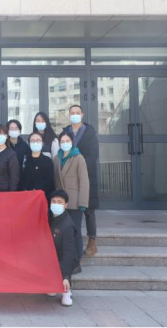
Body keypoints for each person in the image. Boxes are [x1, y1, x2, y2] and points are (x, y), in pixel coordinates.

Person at [63, 104, 99, 258]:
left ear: (82, 114)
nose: (75, 115)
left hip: (87, 175)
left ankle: (92, 241)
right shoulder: (66, 132)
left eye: (77, 112)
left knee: (89, 209)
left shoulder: (89, 132)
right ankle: (70, 240)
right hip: (69, 178)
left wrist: (82, 167)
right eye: (72, 113)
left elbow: (93, 154)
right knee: (70, 208)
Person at [53, 131, 89, 261]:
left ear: (72, 142)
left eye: (67, 141)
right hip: (60, 203)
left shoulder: (78, 158)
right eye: (62, 141)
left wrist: (83, 203)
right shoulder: (57, 158)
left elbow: (84, 182)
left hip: (75, 202)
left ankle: (77, 258)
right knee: (62, 231)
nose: (64, 143)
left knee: (75, 231)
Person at [48, 189, 79, 307]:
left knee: (64, 264)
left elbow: (68, 253)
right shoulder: (50, 217)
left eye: (60, 202)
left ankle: (66, 291)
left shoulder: (67, 225)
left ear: (66, 205)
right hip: (52, 253)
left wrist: (66, 277)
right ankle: (53, 285)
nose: (56, 204)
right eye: (54, 201)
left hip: (64, 256)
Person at [19, 132, 55, 202]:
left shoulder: (48, 161)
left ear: (42, 143)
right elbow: (20, 178)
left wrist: (36, 190)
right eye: (32, 141)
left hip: (42, 197)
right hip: (26, 197)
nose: (35, 143)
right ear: (29, 143)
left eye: (38, 140)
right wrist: (25, 190)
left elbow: (49, 180)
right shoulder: (24, 160)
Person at [0, 125, 20, 191]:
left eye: (2, 134)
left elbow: (14, 177)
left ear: (6, 136)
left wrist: (11, 193)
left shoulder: (11, 155)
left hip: (6, 193)